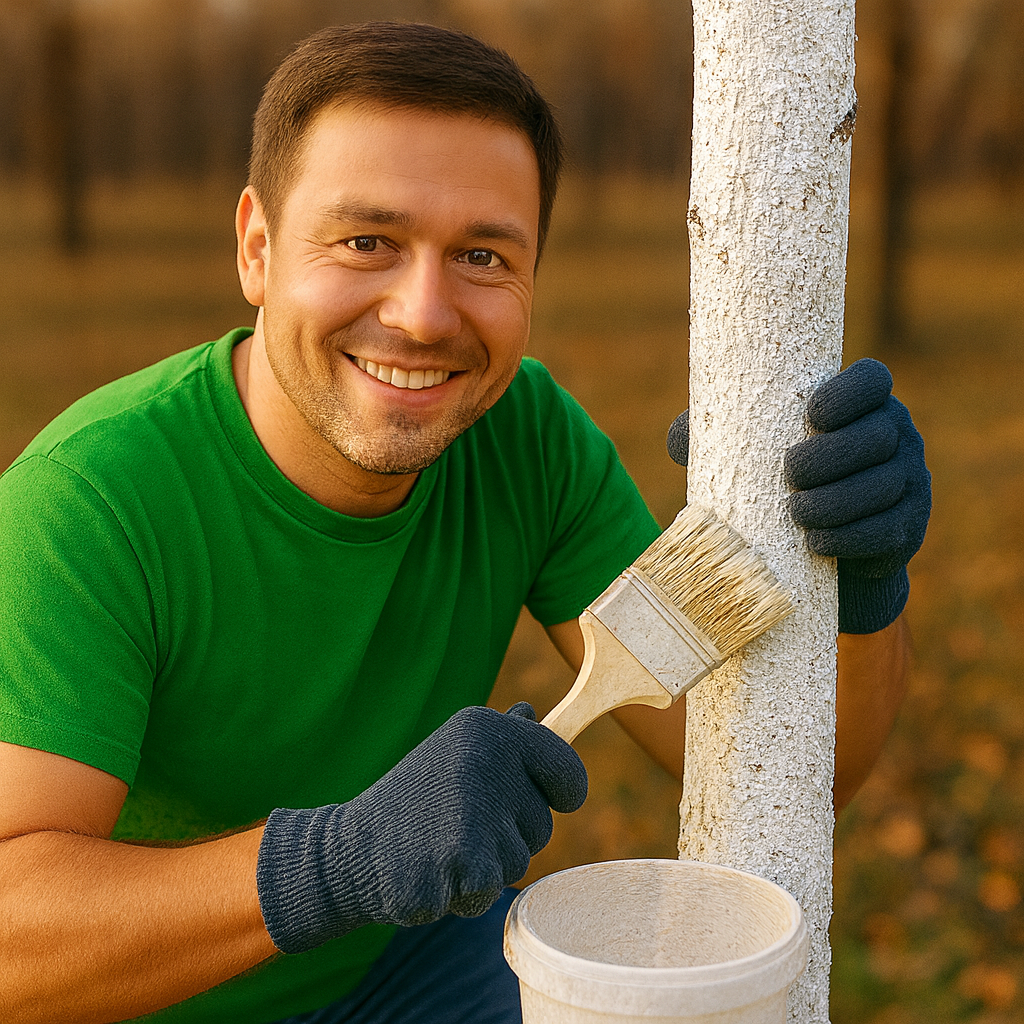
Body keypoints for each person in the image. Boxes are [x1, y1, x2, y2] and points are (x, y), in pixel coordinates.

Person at [0, 21, 930, 1024]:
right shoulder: (93, 500)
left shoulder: (522, 435)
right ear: (257, 248)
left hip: (399, 973)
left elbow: (790, 773)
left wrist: (860, 581)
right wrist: (335, 862)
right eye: (368, 242)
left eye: (482, 254)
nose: (426, 313)